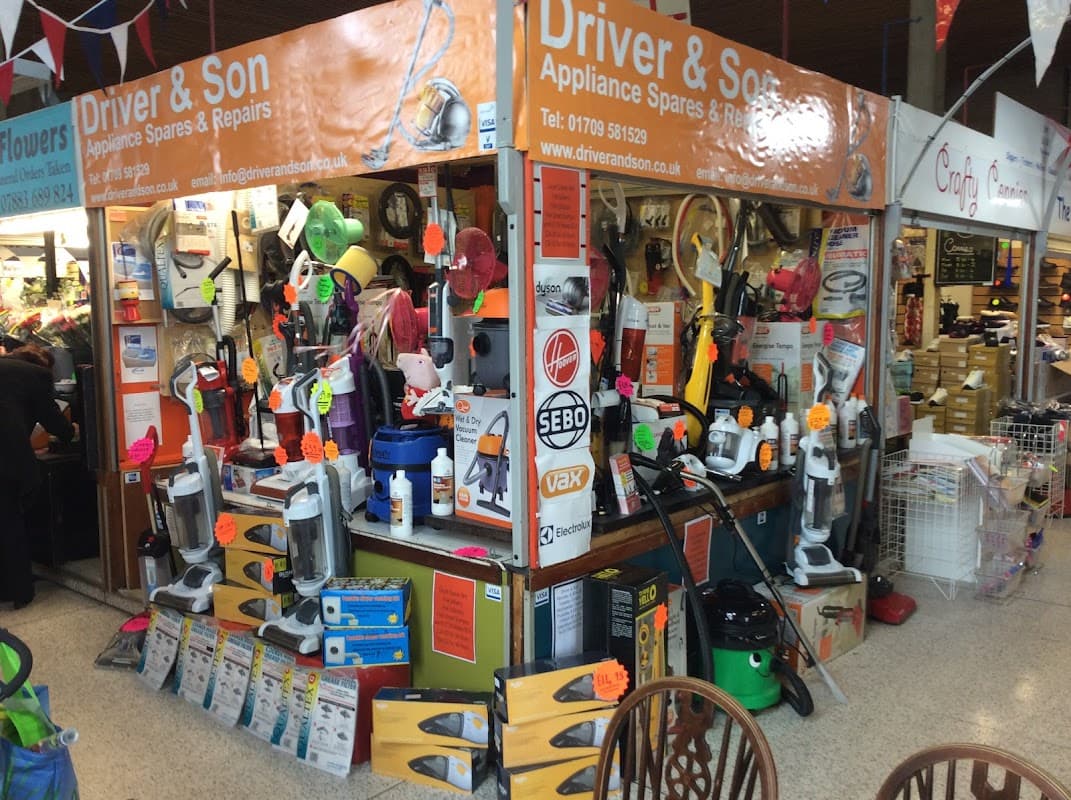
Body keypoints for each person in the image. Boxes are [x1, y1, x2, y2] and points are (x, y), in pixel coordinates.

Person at [0, 343, 77, 609]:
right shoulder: (36, 376)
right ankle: (20, 591)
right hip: (7, 459)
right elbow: (52, 420)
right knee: (9, 522)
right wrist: (70, 434)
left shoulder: (8, 369)